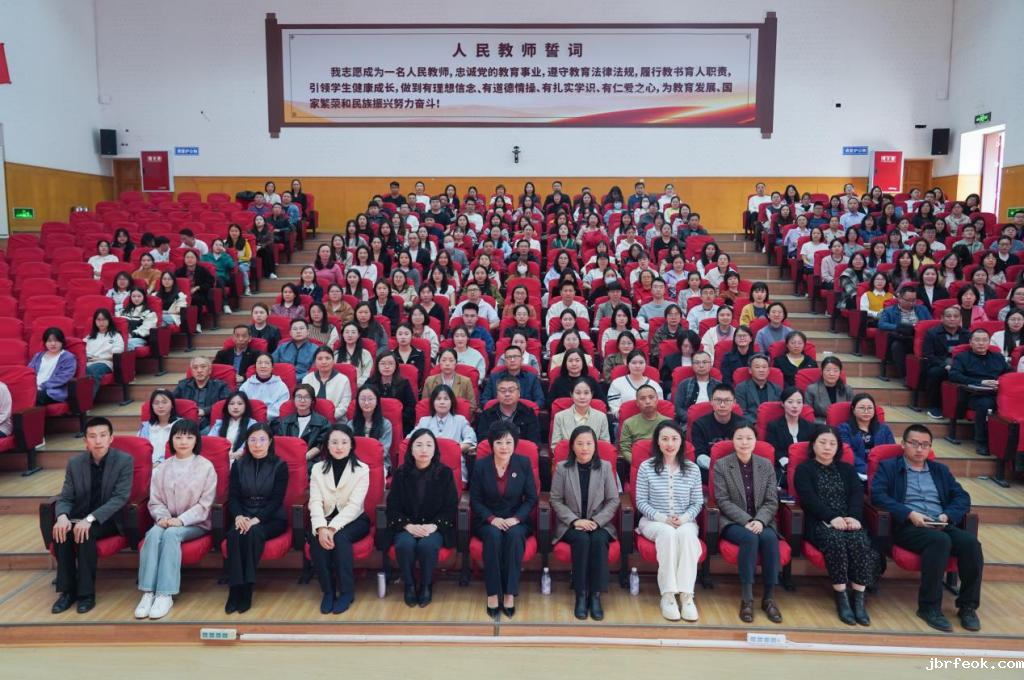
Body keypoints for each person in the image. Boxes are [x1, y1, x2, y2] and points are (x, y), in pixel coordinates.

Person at [871, 424, 983, 633]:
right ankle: (929, 608)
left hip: (940, 522)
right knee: (940, 541)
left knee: (971, 544)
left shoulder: (940, 470)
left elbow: (962, 497)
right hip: (908, 526)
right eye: (914, 443)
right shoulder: (888, 467)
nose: (920, 449)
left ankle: (967, 607)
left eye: (925, 445)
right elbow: (878, 495)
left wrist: (947, 515)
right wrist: (909, 513)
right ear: (903, 444)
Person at [794, 426, 882, 626]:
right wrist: (832, 517)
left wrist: (854, 517)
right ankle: (841, 596)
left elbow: (857, 495)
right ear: (813, 445)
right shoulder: (804, 469)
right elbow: (809, 499)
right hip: (820, 521)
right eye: (822, 443)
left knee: (860, 539)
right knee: (835, 539)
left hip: (849, 520)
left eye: (832, 444)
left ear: (838, 448)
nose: (827, 447)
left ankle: (859, 598)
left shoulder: (847, 469)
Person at [134, 419, 216, 620]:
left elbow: (205, 504)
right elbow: (155, 500)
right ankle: (148, 592)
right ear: (171, 440)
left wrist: (180, 520)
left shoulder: (206, 467)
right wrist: (163, 517)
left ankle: (165, 594)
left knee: (171, 535)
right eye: (178, 437)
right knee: (153, 533)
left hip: (195, 523)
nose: (183, 442)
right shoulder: (162, 467)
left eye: (189, 437)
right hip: (166, 520)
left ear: (196, 440)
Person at [50, 417, 133, 615]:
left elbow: (120, 498)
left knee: (84, 533)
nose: (98, 441)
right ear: (85, 440)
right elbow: (65, 496)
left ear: (111, 438)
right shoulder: (75, 463)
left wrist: (89, 519)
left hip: (108, 519)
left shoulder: (124, 461)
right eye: (92, 436)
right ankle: (67, 592)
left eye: (103, 435)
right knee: (62, 531)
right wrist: (62, 516)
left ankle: (86, 594)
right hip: (78, 517)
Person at [713, 424, 784, 624]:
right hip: (733, 521)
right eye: (739, 438)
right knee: (750, 538)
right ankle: (747, 598)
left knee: (769, 538)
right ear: (732, 440)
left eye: (749, 438)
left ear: (755, 441)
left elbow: (772, 501)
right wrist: (747, 520)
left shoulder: (766, 465)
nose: (744, 442)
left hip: (763, 520)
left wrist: (760, 520)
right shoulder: (722, 465)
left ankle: (769, 598)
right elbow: (723, 500)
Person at [635, 421, 704, 622]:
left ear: (682, 441)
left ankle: (687, 595)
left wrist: (683, 519)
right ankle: (668, 595)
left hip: (684, 520)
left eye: (674, 439)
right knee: (668, 533)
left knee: (686, 535)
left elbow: (697, 502)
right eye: (664, 439)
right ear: (657, 442)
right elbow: (641, 501)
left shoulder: (692, 469)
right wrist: (664, 519)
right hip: (653, 521)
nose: (670, 444)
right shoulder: (646, 467)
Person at [550, 425, 620, 621]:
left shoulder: (605, 467)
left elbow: (613, 500)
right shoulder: (563, 468)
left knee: (597, 540)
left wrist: (597, 521)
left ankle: (595, 595)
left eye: (589, 443)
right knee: (581, 540)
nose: (584, 448)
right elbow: (555, 500)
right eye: (580, 443)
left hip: (599, 523)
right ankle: (581, 594)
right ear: (572, 446)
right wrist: (575, 521)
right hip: (571, 523)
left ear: (595, 446)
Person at [470, 421, 538, 618]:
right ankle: (492, 593)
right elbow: (475, 500)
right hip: (488, 520)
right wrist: (492, 518)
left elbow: (531, 498)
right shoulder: (481, 465)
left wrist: (517, 518)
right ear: (492, 444)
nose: (504, 447)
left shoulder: (523, 463)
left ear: (515, 443)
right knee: (493, 536)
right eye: (499, 442)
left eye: (508, 442)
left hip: (516, 519)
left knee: (515, 536)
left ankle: (509, 593)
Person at [387, 428, 458, 608]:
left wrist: (434, 526)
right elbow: (393, 507)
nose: (424, 450)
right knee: (404, 545)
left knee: (427, 545)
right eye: (418, 445)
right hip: (407, 526)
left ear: (435, 449)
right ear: (411, 449)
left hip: (434, 527)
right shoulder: (401, 473)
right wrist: (408, 526)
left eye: (428, 445)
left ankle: (426, 585)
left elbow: (450, 507)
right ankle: (409, 585)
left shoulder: (445, 473)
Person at [224, 423, 289, 614]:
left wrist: (256, 519)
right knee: (234, 535)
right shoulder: (238, 465)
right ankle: (234, 588)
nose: (257, 444)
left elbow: (276, 500)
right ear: (246, 442)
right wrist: (238, 516)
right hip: (244, 514)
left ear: (270, 441)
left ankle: (247, 588)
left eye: (262, 439)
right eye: (252, 440)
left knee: (252, 533)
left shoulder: (280, 465)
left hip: (271, 518)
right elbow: (233, 497)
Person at [948, 328, 1009, 456]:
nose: (981, 343)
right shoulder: (962, 357)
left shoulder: (998, 357)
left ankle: (1008, 445)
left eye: (984, 340)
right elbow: (954, 375)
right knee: (985, 404)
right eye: (977, 340)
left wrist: (1001, 382)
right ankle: (982, 442)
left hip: (998, 392)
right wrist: (980, 382)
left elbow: (1009, 374)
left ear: (989, 342)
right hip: (974, 394)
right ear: (970, 342)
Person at [920, 306, 971, 420]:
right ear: (942, 318)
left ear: (960, 319)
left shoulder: (967, 334)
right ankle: (934, 406)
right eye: (949, 316)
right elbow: (928, 354)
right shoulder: (932, 333)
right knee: (935, 373)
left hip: (960, 364)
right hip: (940, 364)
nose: (952, 319)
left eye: (956, 316)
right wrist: (945, 365)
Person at [837, 393, 896, 480]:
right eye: (862, 408)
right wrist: (868, 469)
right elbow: (847, 453)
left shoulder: (884, 429)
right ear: (853, 409)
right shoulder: (844, 429)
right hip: (856, 470)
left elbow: (891, 452)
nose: (866, 411)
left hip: (882, 470)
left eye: (870, 408)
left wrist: (882, 469)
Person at [877, 285, 932, 378]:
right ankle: (906, 376)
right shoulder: (889, 310)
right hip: (903, 339)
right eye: (908, 300)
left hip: (921, 339)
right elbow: (881, 324)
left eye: (914, 300)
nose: (911, 303)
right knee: (896, 346)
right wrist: (900, 327)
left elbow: (931, 324)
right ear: (899, 298)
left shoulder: (922, 309)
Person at [764, 387, 814, 487]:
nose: (795, 406)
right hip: (782, 468)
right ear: (782, 403)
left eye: (799, 402)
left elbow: (812, 449)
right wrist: (787, 463)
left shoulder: (810, 426)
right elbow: (772, 450)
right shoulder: (774, 426)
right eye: (790, 402)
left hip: (806, 467)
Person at [271, 385, 330, 465]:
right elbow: (280, 444)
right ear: (294, 400)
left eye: (306, 397)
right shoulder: (285, 422)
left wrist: (305, 457)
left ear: (312, 400)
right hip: (286, 461)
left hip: (311, 461)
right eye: (299, 397)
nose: (302, 400)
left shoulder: (322, 422)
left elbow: (321, 445)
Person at [619, 384, 671, 465]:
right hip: (638, 463)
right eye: (643, 398)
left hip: (663, 462)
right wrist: (637, 463)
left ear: (657, 400)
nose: (647, 401)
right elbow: (625, 448)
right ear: (637, 403)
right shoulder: (629, 423)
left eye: (651, 397)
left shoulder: (668, 423)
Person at [173, 357, 229, 432]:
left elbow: (226, 403)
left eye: (203, 367)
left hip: (209, 423)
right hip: (186, 423)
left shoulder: (220, 386)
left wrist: (205, 411)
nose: (199, 370)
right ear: (192, 371)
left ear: (209, 370)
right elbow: (172, 402)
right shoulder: (183, 385)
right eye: (195, 367)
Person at [550, 378, 610, 448]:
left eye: (586, 393)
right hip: (567, 455)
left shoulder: (601, 417)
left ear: (592, 394)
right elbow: (555, 447)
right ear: (571, 395)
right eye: (578, 393)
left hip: (595, 455)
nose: (582, 397)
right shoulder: (560, 417)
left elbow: (605, 446)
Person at [349, 385, 394, 471]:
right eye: (363, 399)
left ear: (377, 401)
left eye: (370, 399)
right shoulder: (351, 424)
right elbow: (349, 449)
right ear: (357, 401)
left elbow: (383, 451)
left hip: (380, 463)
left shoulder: (386, 424)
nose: (366, 403)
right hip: (357, 462)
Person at [302, 346, 352, 422]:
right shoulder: (307, 379)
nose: (324, 362)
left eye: (327, 358)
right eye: (320, 359)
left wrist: (329, 417)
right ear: (315, 362)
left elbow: (344, 406)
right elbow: (303, 401)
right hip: (310, 420)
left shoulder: (343, 380)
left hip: (335, 421)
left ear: (333, 361)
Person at [29, 327, 77, 406]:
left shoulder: (68, 357)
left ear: (62, 341)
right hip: (33, 388)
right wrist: (31, 385)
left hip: (52, 391)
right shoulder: (38, 356)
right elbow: (29, 372)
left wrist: (42, 386)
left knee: (34, 396)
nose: (53, 344)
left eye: (56, 340)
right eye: (49, 341)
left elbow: (63, 377)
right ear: (45, 342)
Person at [607, 350, 663, 417]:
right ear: (628, 364)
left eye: (641, 362)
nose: (637, 366)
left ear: (646, 364)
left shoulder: (654, 385)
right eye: (634, 363)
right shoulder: (617, 383)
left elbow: (660, 405)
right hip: (625, 419)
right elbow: (615, 409)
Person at [421, 349, 478, 415]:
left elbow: (472, 407)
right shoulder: (430, 381)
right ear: (439, 362)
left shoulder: (466, 382)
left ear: (456, 363)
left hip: (459, 418)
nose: (447, 364)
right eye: (444, 360)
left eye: (451, 360)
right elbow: (425, 405)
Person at [84, 309, 125, 399]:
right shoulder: (90, 337)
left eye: (104, 319)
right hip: (88, 362)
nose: (101, 322)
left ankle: (86, 402)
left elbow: (117, 355)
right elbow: (81, 350)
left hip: (105, 363)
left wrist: (98, 359)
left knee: (92, 370)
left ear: (109, 320)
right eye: (98, 320)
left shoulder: (116, 336)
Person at [672, 351, 719, 427]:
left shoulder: (718, 385)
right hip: (690, 423)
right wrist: (691, 418)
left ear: (711, 364)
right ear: (692, 365)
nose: (701, 366)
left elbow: (722, 406)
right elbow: (678, 408)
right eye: (697, 363)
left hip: (714, 422)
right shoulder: (684, 384)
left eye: (704, 362)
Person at [210, 391, 259, 462]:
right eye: (232, 404)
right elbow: (210, 442)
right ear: (227, 406)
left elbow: (249, 446)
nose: (235, 407)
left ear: (246, 406)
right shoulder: (219, 424)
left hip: (241, 461)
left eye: (240, 404)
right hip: (218, 458)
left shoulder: (252, 424)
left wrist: (232, 456)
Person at [239, 353, 290, 418]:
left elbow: (282, 406)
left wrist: (265, 415)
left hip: (273, 420)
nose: (263, 366)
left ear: (272, 367)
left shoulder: (281, 386)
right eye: (260, 363)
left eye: (267, 363)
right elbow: (241, 403)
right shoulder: (246, 385)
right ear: (255, 367)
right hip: (250, 418)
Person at [138, 389, 180, 466]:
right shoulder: (145, 427)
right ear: (152, 406)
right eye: (156, 403)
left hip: (173, 465)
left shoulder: (181, 425)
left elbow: (181, 449)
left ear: (172, 405)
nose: (160, 406)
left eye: (164, 402)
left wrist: (159, 462)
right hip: (148, 466)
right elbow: (140, 449)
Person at [804, 356, 854, 421]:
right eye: (828, 370)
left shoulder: (847, 389)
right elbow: (808, 414)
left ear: (840, 373)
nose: (832, 374)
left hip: (842, 423)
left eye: (836, 370)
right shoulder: (811, 389)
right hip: (820, 424)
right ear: (821, 372)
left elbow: (853, 411)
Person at [734, 354, 781, 421]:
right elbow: (741, 412)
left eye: (764, 367)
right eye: (757, 367)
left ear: (768, 371)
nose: (761, 370)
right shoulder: (741, 388)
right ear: (750, 370)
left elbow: (779, 410)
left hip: (772, 424)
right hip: (750, 424)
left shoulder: (776, 389)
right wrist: (756, 423)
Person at [335, 322, 374, 387]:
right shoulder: (336, 354)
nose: (350, 335)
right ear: (343, 335)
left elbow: (367, 375)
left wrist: (354, 385)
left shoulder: (365, 354)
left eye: (353, 332)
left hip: (359, 387)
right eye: (347, 332)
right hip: (339, 387)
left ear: (358, 335)